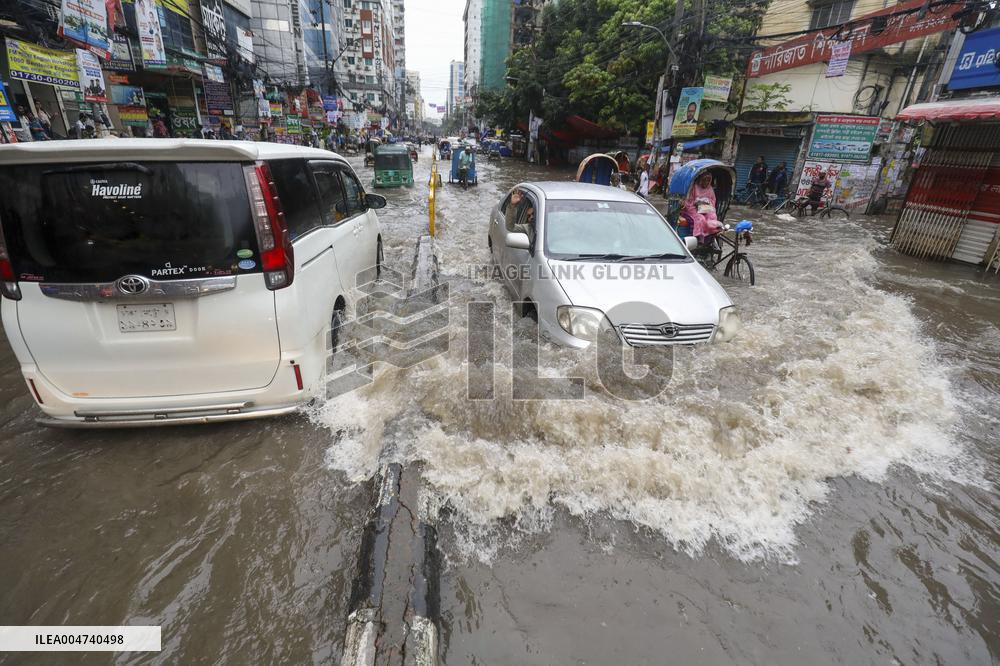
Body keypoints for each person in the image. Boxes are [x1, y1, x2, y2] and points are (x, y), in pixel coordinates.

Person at [683, 172, 723, 243]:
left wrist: (707, 202)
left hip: (706, 208)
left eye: (708, 180)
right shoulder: (694, 187)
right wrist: (697, 202)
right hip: (693, 208)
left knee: (712, 216)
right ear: (701, 180)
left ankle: (710, 236)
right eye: (704, 180)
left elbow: (713, 200)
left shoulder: (710, 188)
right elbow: (688, 202)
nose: (706, 182)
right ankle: (698, 237)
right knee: (701, 218)